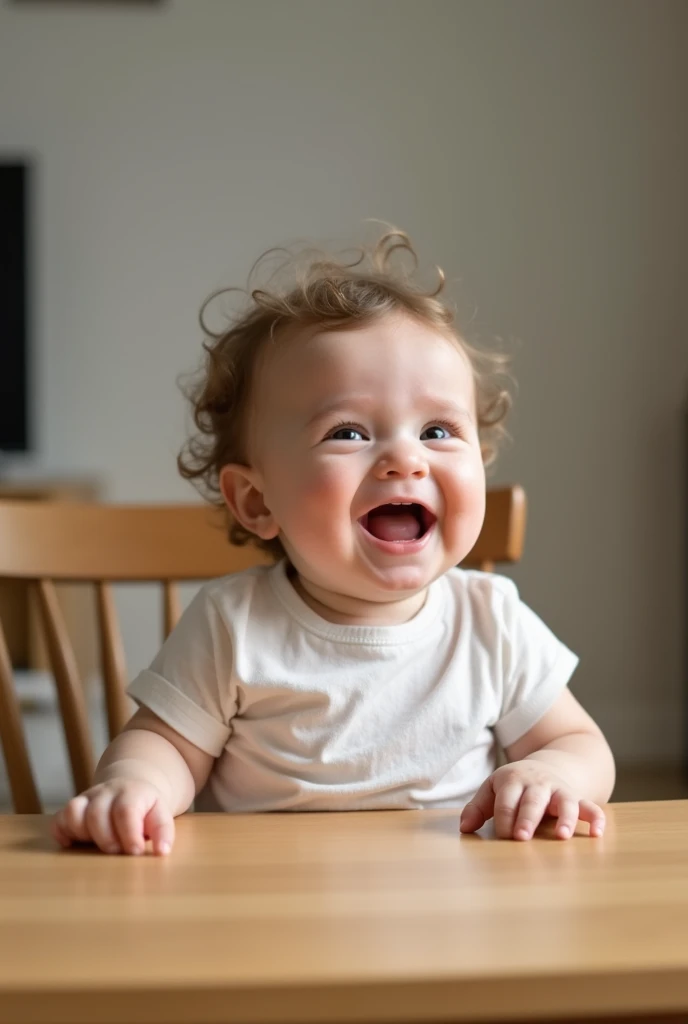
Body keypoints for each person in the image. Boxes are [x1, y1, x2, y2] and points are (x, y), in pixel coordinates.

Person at [51, 229, 615, 856]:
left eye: (436, 429)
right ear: (258, 502)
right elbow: (165, 746)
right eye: (347, 433)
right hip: (271, 905)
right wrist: (136, 785)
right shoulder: (233, 625)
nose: (406, 458)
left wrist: (554, 773)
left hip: (450, 913)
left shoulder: (491, 622)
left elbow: (580, 745)